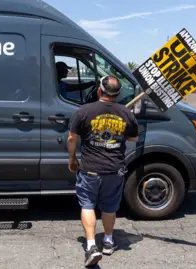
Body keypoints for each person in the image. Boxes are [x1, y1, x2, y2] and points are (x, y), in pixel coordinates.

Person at [66, 75, 139, 268]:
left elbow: (72, 137)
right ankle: (107, 241)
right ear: (118, 93)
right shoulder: (126, 113)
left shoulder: (84, 111)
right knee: (109, 207)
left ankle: (91, 246)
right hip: (114, 170)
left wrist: (72, 158)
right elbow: (133, 139)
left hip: (90, 169)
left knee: (88, 205)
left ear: (99, 90)